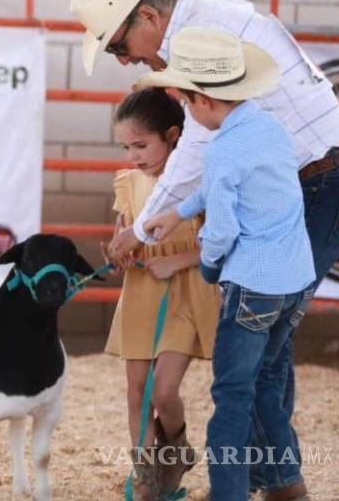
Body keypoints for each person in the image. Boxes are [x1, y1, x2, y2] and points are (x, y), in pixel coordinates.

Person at [71, 0, 339, 501]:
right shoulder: (221, 17)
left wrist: (147, 228)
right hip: (323, 178)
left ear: (149, 19)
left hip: (325, 180)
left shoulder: (198, 48)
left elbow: (205, 153)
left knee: (255, 361)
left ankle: (273, 486)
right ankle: (269, 480)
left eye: (117, 45)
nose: (125, 60)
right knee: (266, 353)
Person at [139, 27, 316, 501]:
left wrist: (212, 269)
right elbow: (231, 183)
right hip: (295, 281)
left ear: (203, 102)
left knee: (232, 399)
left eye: (187, 102)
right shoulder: (268, 128)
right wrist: (174, 211)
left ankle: (228, 494)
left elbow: (220, 231)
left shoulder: (221, 149)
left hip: (252, 285)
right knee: (267, 384)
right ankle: (287, 486)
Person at [104, 88, 219, 499]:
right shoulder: (129, 182)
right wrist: (120, 252)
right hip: (142, 291)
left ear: (173, 135)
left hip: (187, 291)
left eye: (141, 145)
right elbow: (124, 232)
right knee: (137, 390)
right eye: (126, 147)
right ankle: (147, 476)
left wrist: (178, 260)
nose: (133, 156)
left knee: (164, 390)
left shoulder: (198, 179)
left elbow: (218, 241)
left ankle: (176, 448)